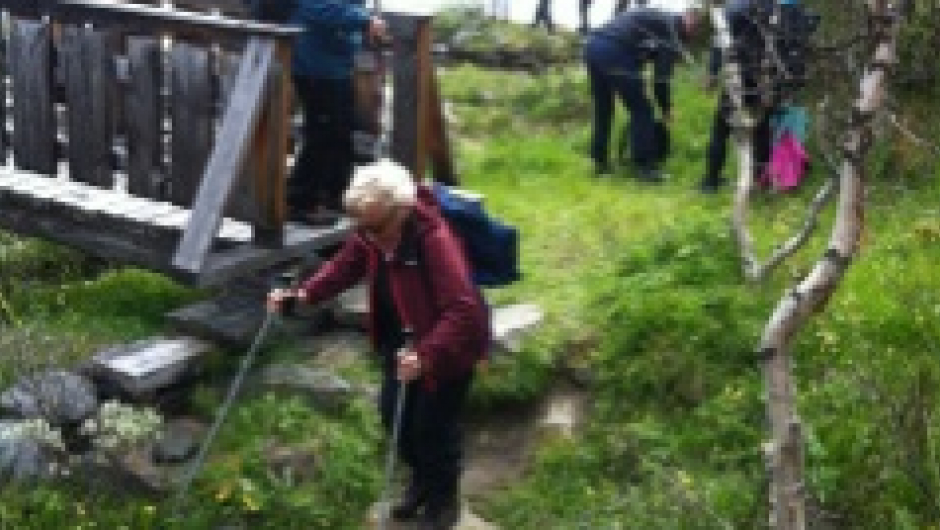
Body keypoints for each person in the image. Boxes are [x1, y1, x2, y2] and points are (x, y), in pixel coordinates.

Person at [267, 159, 490, 529]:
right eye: (362, 227)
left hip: (447, 350)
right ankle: (420, 482)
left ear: (402, 210)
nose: (368, 236)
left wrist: (426, 355)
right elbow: (343, 267)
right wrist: (301, 295)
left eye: (375, 227)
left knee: (433, 428)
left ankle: (443, 502)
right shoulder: (375, 231)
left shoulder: (434, 241)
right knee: (395, 417)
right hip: (400, 342)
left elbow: (463, 310)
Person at [283, 0, 388, 222]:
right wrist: (364, 20)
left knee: (340, 132)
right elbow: (314, 7)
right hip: (315, 64)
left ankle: (334, 196)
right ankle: (300, 202)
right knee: (322, 135)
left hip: (334, 64)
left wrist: (364, 23)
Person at [584, 7, 700, 180]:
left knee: (603, 108)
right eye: (693, 30)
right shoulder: (671, 29)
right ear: (689, 22)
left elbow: (639, 52)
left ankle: (599, 163)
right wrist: (666, 108)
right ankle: (645, 168)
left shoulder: (660, 18)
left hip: (593, 45)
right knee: (643, 110)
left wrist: (637, 81)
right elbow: (661, 79)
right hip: (614, 49)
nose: (690, 36)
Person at [699, 0, 773, 193]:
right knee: (762, 129)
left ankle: (710, 181)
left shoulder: (737, 6)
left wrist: (712, 72)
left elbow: (720, 39)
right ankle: (760, 180)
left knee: (721, 129)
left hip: (740, 76)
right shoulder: (772, 7)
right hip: (764, 77)